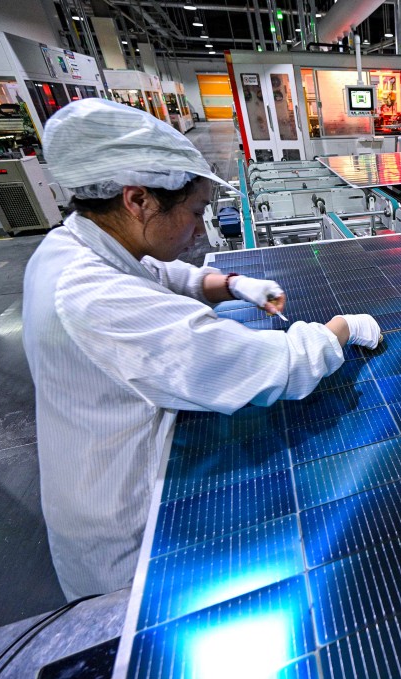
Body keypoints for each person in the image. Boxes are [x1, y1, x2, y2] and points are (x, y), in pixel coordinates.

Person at [23, 98, 382, 600]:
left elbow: (159, 273)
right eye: (194, 212)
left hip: (126, 476)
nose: (199, 228)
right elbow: (275, 368)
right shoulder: (96, 297)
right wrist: (341, 328)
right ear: (138, 201)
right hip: (130, 533)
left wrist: (230, 283)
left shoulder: (76, 247)